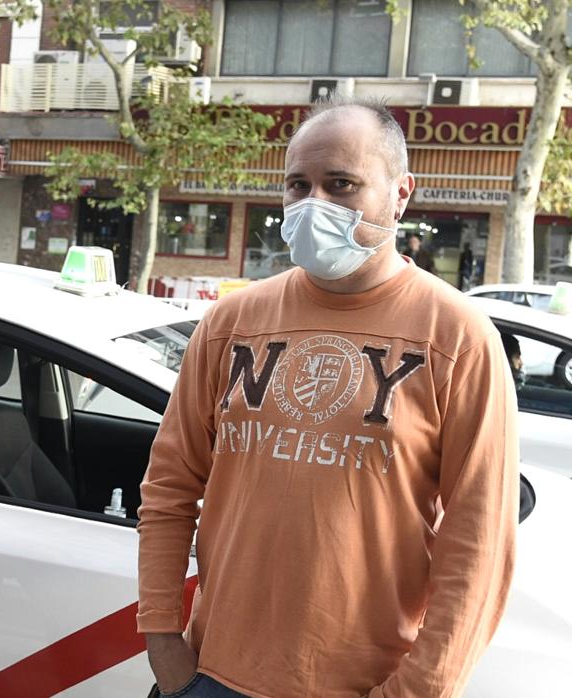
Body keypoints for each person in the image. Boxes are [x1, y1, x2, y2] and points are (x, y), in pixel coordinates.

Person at [137, 96, 517, 698]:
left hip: (363, 684)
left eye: (341, 185)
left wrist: (416, 689)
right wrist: (162, 638)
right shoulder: (233, 320)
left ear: (400, 194)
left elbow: (479, 544)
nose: (314, 205)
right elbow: (170, 484)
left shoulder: (457, 337)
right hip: (207, 675)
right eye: (298, 185)